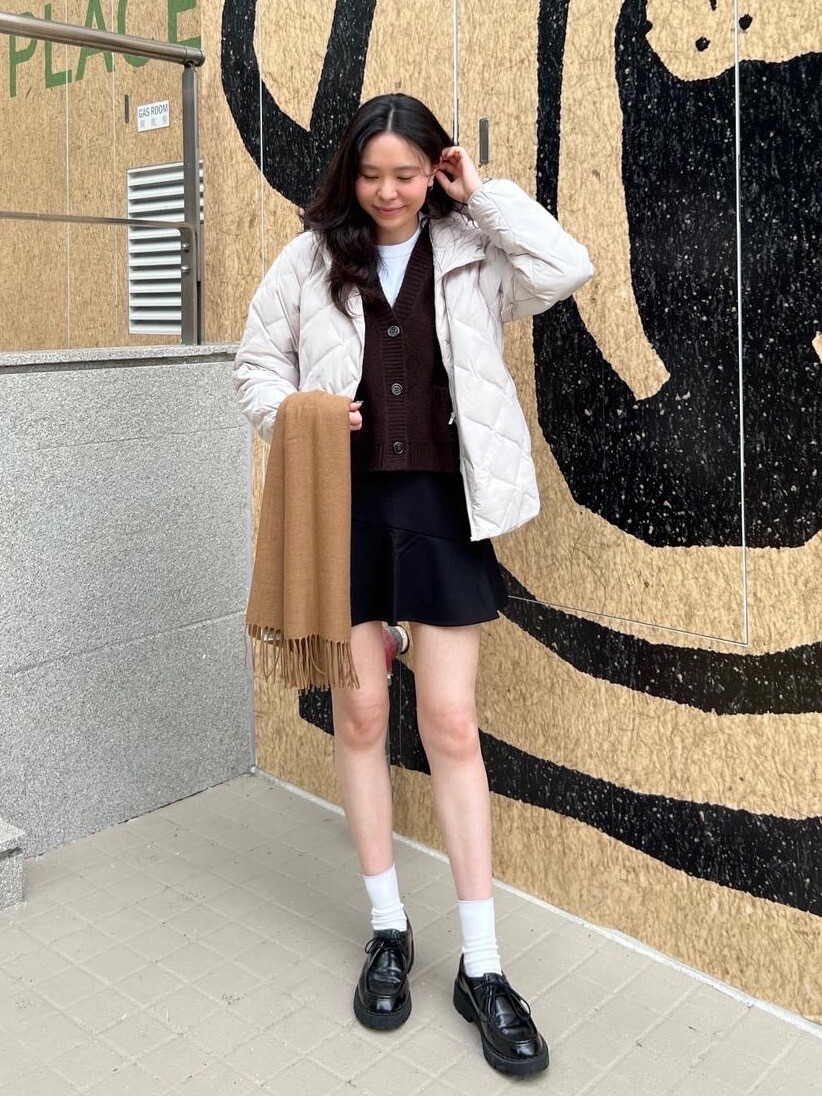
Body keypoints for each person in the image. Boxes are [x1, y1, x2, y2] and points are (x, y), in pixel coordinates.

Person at [234, 93, 593, 1076]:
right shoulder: (310, 259)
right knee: (360, 717)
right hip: (341, 511)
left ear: (434, 168)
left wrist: (482, 198)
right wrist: (302, 410)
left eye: (406, 174)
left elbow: (566, 267)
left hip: (442, 508)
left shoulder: (473, 250)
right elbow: (253, 367)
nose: (387, 193)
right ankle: (388, 927)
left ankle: (484, 965)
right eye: (371, 174)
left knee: (450, 726)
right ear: (348, 173)